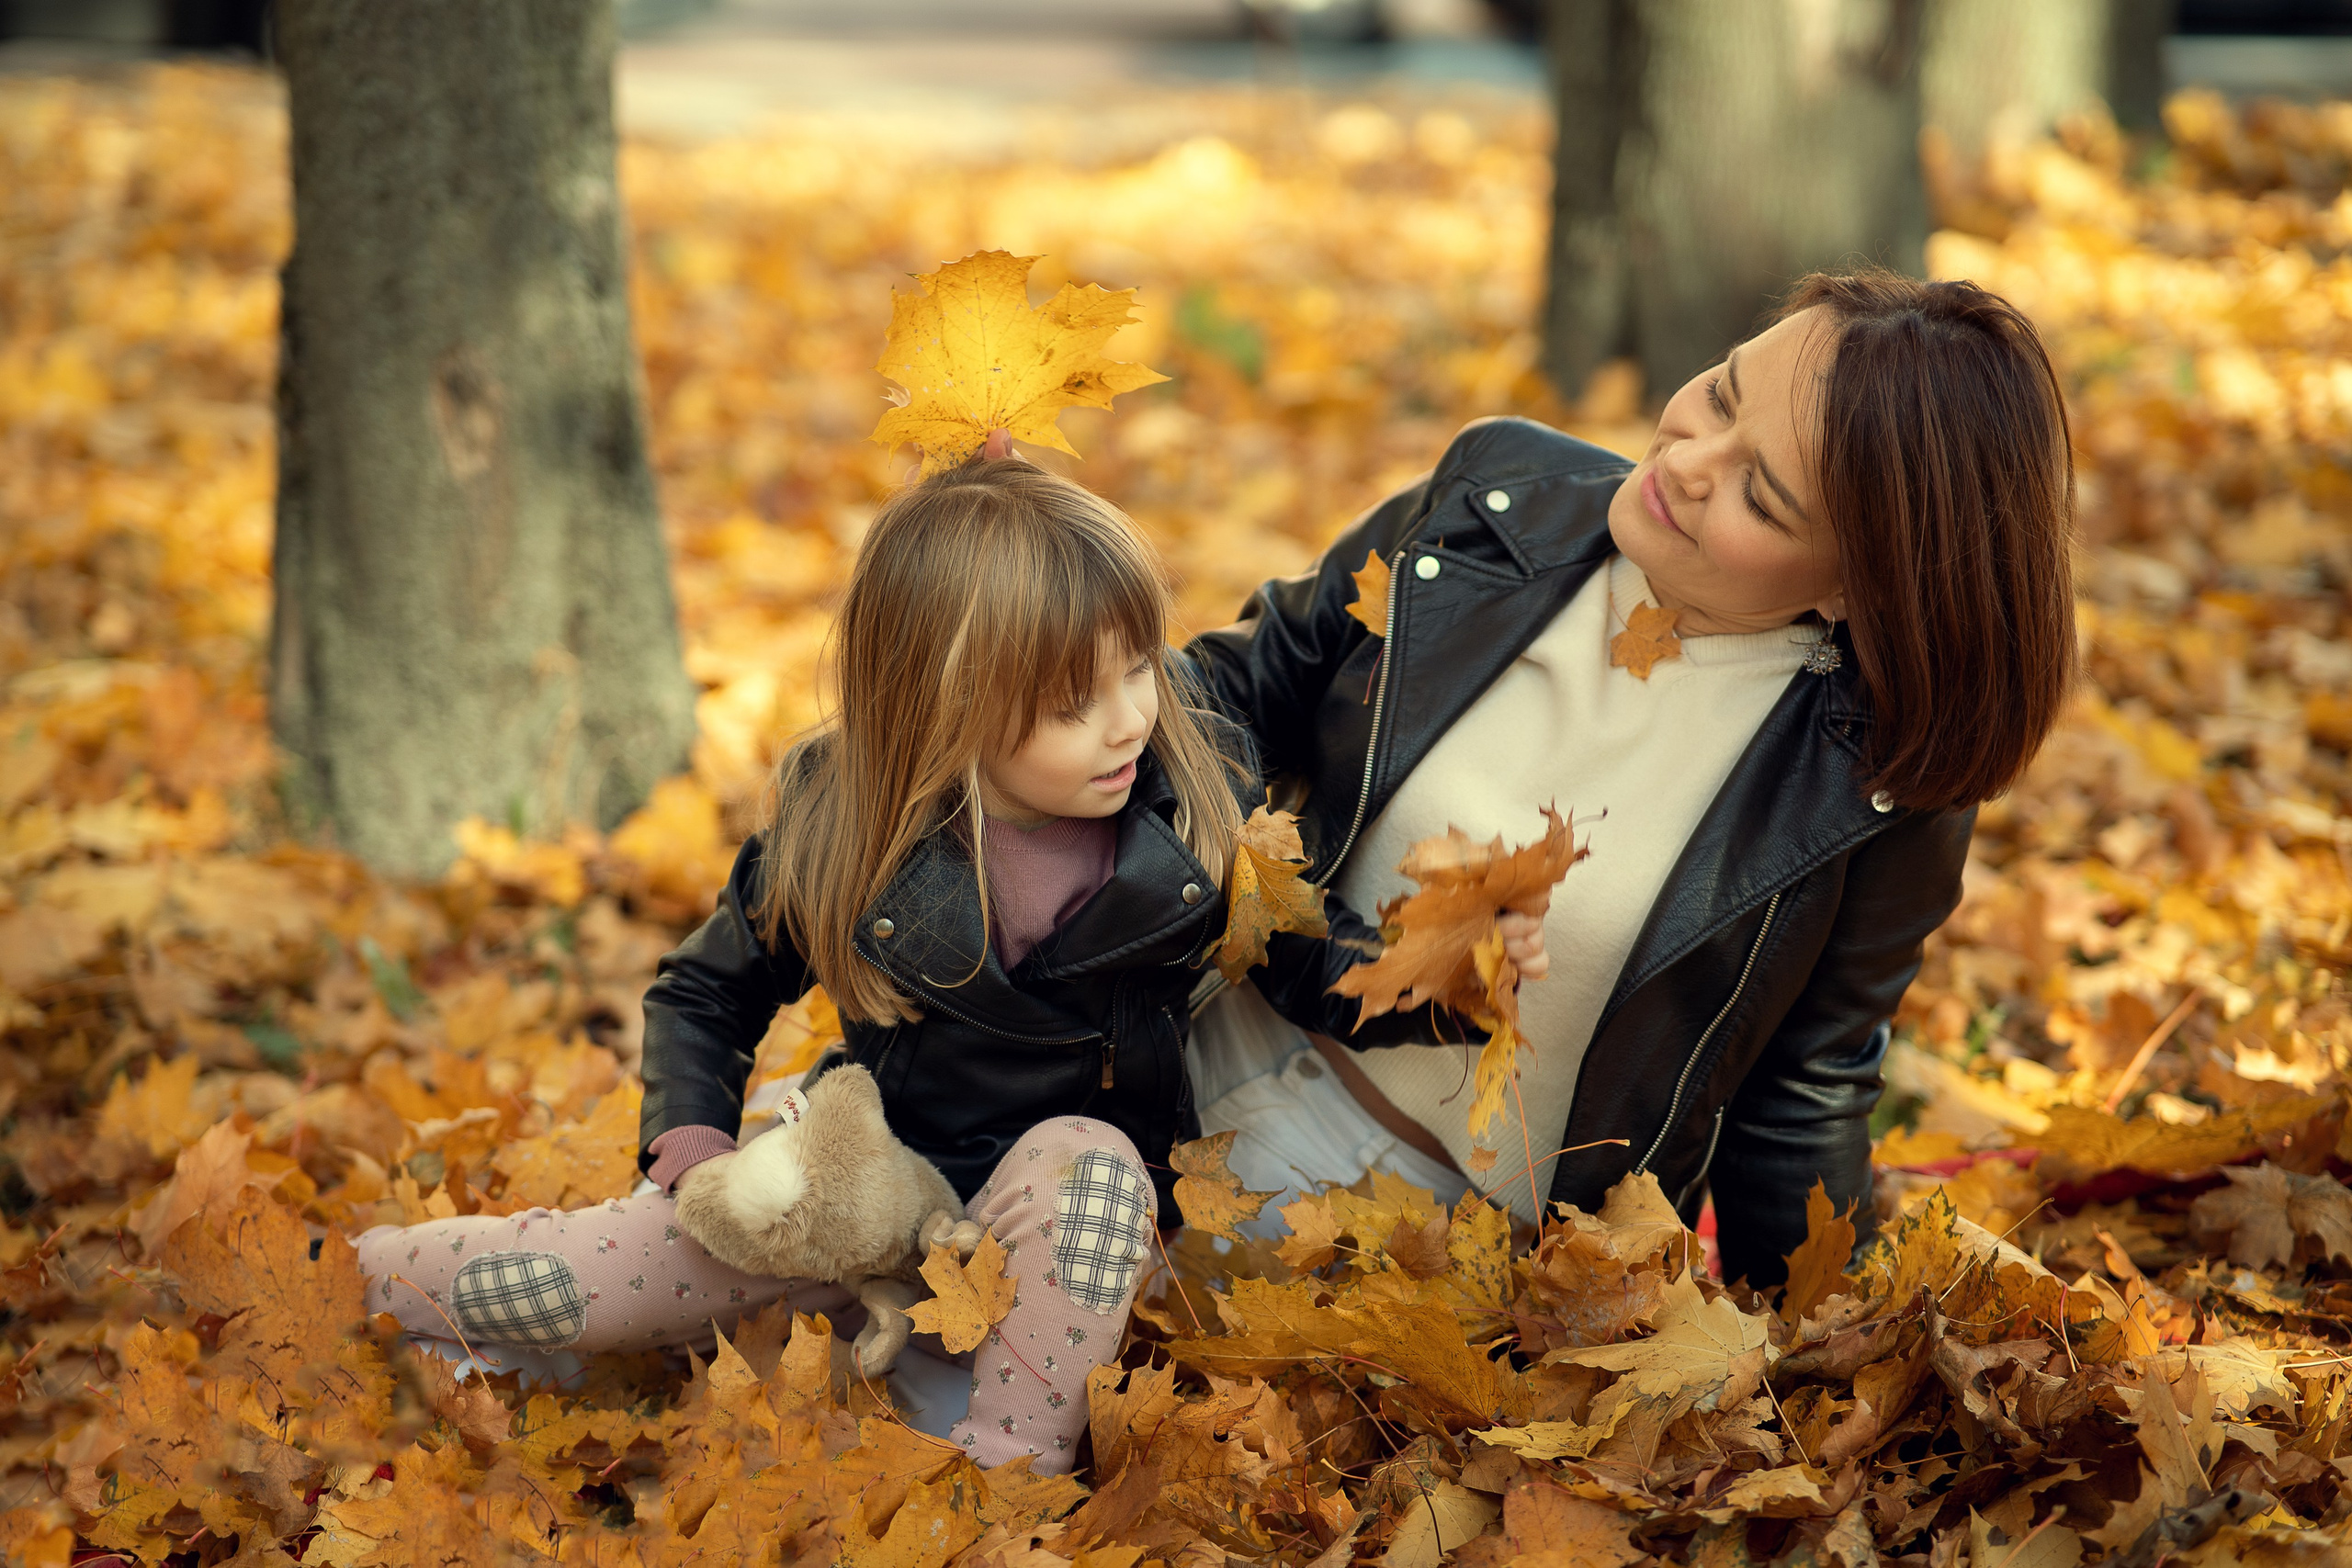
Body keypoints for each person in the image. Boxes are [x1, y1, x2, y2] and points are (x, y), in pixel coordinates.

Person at [353, 455, 1540, 1472]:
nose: (1130, 716)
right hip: (874, 1172)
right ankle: (380, 1283)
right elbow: (706, 990)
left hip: (1053, 1214)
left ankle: (1001, 1482)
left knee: (1095, 1173)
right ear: (946, 710)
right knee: (603, 1277)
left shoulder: (1186, 808)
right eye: (1076, 701)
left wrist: (1449, 978)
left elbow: (1304, 962)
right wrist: (694, 1151)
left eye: (1137, 664)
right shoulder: (844, 832)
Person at [1183, 269, 2077, 1287]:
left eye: (1761, 494)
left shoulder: (1872, 782)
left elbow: (1803, 1095)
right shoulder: (1494, 498)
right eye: (1722, 393)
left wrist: (1828, 1363)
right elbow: (1221, 700)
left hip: (1411, 1251)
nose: (1688, 458)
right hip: (1168, 1036)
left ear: (1852, 588)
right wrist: (1293, 938)